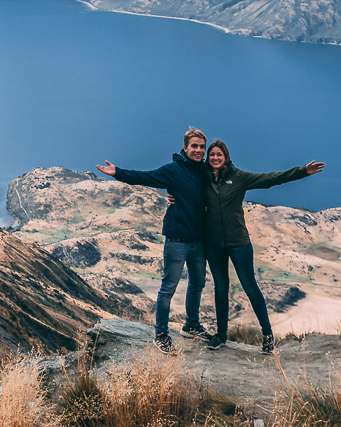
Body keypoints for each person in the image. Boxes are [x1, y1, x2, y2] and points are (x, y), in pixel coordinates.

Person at [200, 139, 324, 355]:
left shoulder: (238, 177)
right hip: (214, 245)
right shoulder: (203, 177)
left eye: (219, 155)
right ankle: (221, 335)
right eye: (212, 155)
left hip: (239, 243)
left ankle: (267, 335)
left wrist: (302, 171)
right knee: (220, 288)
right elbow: (183, 184)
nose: (215, 158)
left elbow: (271, 179)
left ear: (226, 157)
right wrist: (172, 196)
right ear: (208, 158)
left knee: (250, 287)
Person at [96, 127, 210, 352]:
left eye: (202, 147)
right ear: (185, 148)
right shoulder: (173, 171)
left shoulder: (206, 171)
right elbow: (145, 177)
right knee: (168, 288)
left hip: (199, 241)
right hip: (177, 240)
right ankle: (161, 334)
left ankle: (192, 325)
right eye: (194, 146)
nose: (198, 150)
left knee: (198, 283)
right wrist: (117, 172)